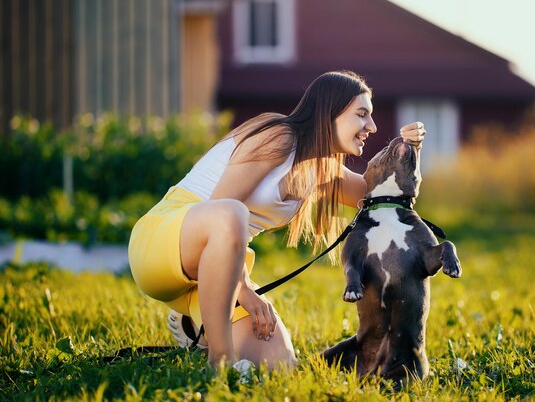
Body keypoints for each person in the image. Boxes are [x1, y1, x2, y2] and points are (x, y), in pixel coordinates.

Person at [128, 70, 426, 370]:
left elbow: (376, 194)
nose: (372, 127)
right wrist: (245, 292)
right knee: (233, 212)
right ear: (330, 112)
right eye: (362, 115)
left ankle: (192, 326)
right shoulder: (281, 136)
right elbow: (219, 207)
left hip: (215, 270)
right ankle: (219, 362)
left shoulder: (320, 168)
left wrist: (407, 152)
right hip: (162, 244)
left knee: (281, 366)